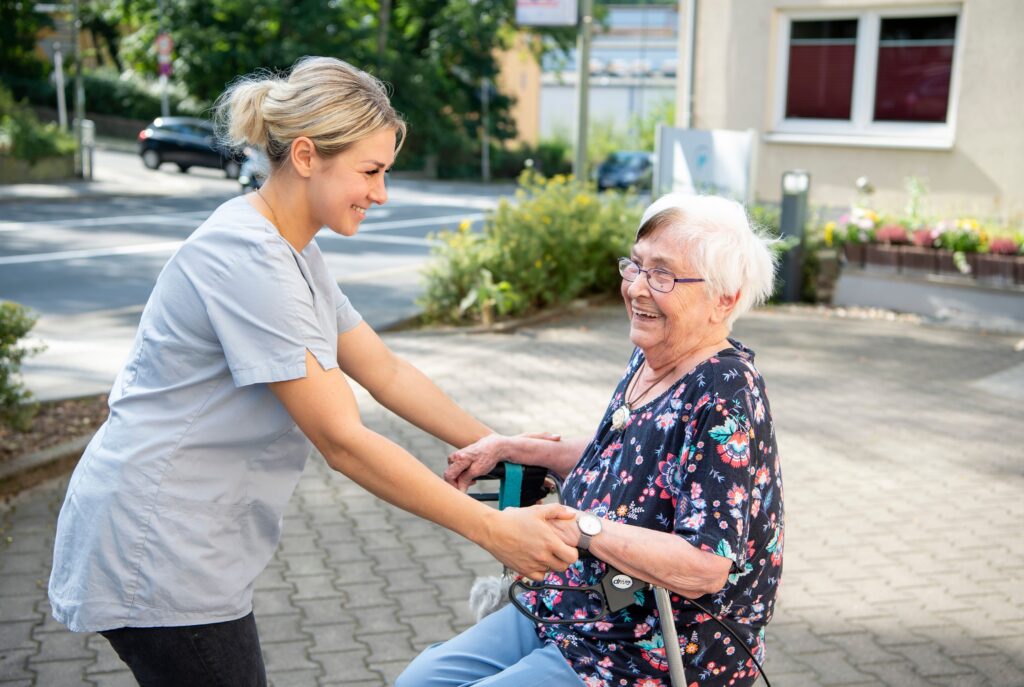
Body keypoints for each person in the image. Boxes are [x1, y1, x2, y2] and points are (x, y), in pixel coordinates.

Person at [47, 56, 578, 686]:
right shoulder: (247, 258)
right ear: (305, 156)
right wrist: (492, 529)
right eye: (371, 171)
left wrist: (499, 449)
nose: (381, 193)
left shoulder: (295, 253)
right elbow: (342, 439)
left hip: (190, 541)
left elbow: (386, 371)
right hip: (156, 547)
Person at [398, 193, 785, 687]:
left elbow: (706, 565)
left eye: (663, 275)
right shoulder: (655, 353)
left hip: (658, 646)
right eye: (636, 266)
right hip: (579, 603)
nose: (638, 290)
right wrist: (513, 446)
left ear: (724, 299)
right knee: (421, 682)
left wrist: (583, 528)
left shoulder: (725, 391)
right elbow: (627, 456)